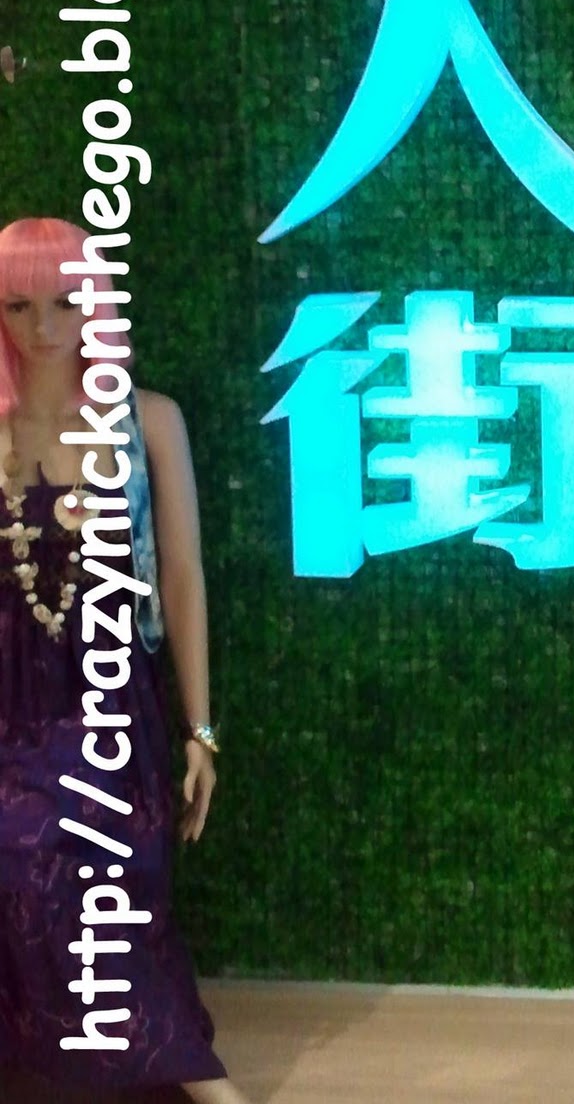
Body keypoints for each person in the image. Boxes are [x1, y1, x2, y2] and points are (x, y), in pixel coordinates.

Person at [0, 217, 248, 1102]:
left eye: (65, 303)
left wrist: (200, 730)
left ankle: (185, 1071)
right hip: (10, 703)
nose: (44, 327)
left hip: (106, 699)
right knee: (15, 854)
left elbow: (182, 575)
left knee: (108, 865)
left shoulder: (148, 422)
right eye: (19, 306)